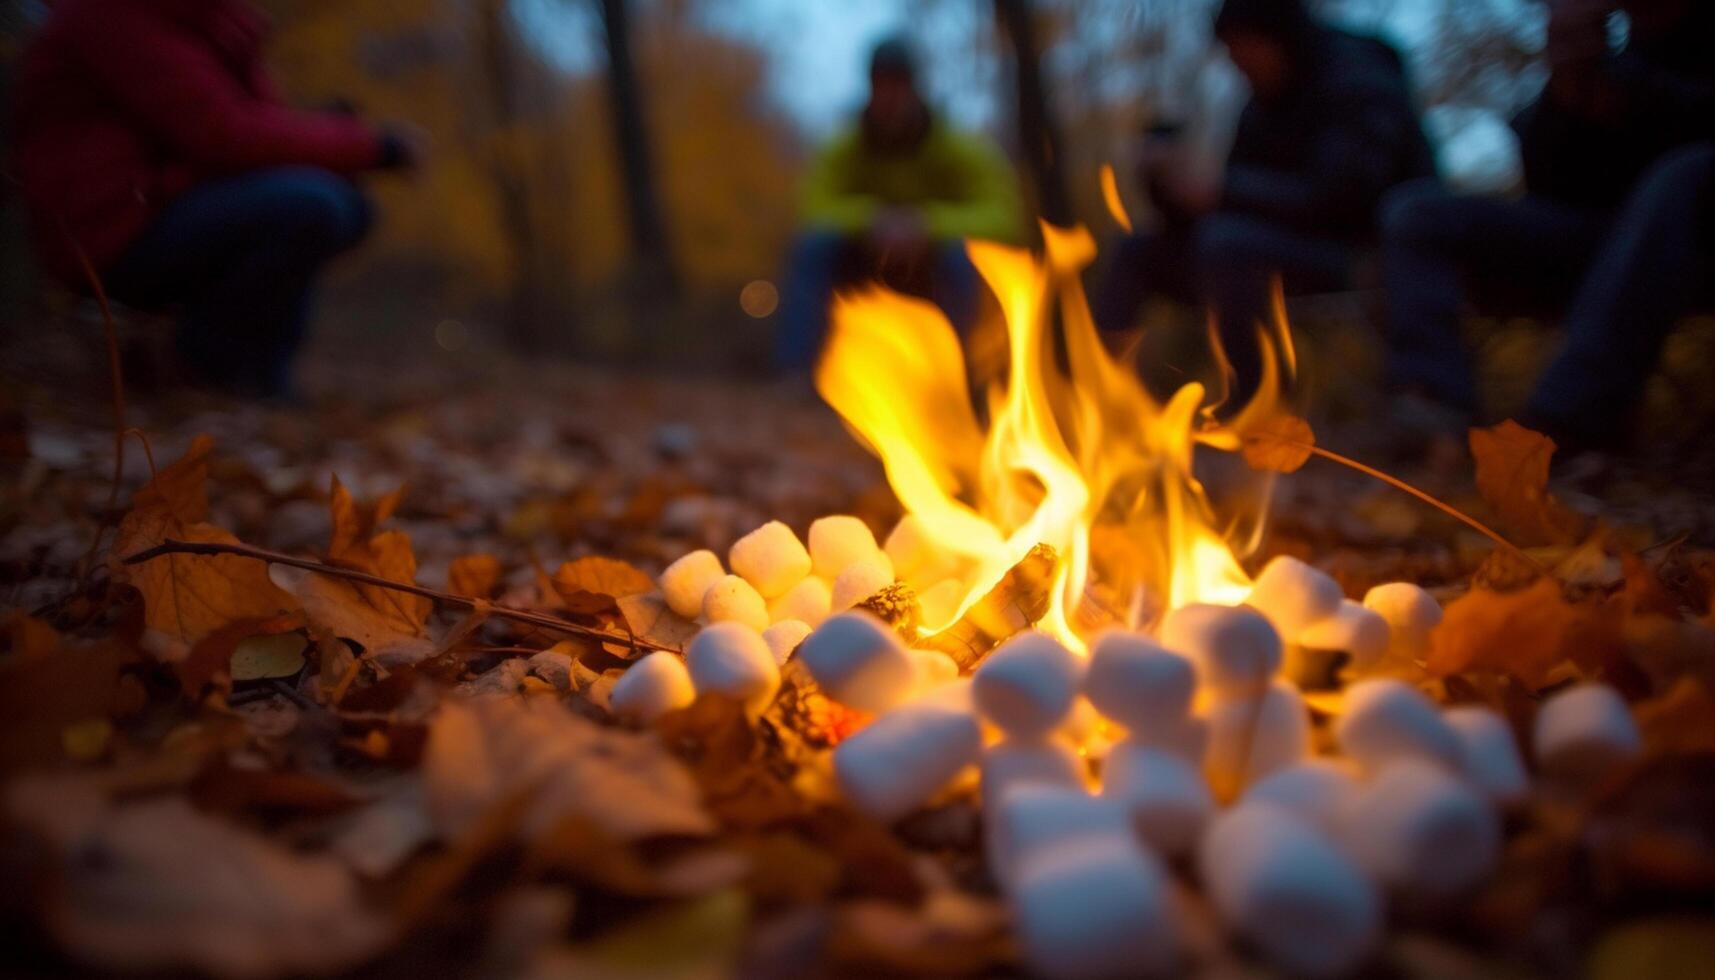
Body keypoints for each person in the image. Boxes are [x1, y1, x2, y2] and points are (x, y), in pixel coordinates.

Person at [11, 0, 421, 398]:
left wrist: (331, 135)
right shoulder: (111, 14)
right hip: (109, 230)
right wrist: (370, 147)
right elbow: (225, 135)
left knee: (340, 203)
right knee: (312, 205)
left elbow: (260, 128)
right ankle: (206, 367)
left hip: (163, 207)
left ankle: (262, 376)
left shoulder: (217, 25)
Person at [1382, 0, 1714, 451]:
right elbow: (1547, 184)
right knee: (1419, 212)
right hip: (1597, 240)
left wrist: (1639, 95)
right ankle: (1433, 412)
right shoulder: (1614, 57)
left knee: (1683, 174)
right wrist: (1569, 82)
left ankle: (1560, 426)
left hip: (1691, 234)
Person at [1094, 0, 1434, 404]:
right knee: (1136, 251)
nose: (1234, 60)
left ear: (1276, 36)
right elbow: (1226, 203)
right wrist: (1167, 186)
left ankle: (1254, 408)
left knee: (1228, 244)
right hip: (1253, 252)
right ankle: (1091, 396)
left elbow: (1345, 196)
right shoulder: (1259, 105)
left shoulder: (1358, 78)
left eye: (1241, 46)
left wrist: (1221, 190)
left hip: (1359, 253)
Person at [776, 36, 1024, 372]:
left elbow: (1002, 216)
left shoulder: (957, 147)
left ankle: (959, 379)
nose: (891, 96)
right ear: (870, 86)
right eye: (881, 84)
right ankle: (797, 374)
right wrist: (872, 221)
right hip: (864, 259)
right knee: (813, 247)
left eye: (900, 84)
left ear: (916, 88)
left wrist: (925, 225)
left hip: (933, 262)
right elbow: (813, 208)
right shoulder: (844, 148)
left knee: (962, 256)